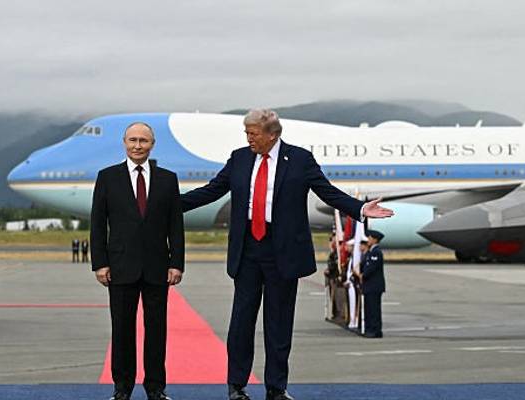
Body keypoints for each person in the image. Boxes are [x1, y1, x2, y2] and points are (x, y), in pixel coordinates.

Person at [180, 109, 394, 400]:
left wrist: (358, 209)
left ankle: (276, 388)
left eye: (253, 134)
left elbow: (326, 192)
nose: (248, 139)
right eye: (246, 133)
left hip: (283, 252)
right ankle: (237, 386)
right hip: (247, 251)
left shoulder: (300, 160)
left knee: (278, 323)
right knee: (241, 321)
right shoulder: (240, 158)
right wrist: (169, 204)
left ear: (273, 134)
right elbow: (212, 191)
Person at [91, 122, 185, 400]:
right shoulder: (107, 177)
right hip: (119, 269)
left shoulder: (168, 179)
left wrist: (176, 263)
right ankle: (122, 389)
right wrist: (99, 263)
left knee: (157, 332)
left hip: (158, 268)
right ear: (124, 142)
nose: (137, 145)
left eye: (143, 140)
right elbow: (98, 224)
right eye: (132, 140)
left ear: (152, 144)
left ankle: (156, 389)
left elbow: (175, 226)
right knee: (122, 331)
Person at [359, 230, 386, 338]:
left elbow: (371, 268)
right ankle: (370, 328)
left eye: (369, 238)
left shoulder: (376, 252)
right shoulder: (371, 252)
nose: (368, 240)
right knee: (369, 309)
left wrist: (363, 275)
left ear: (375, 239)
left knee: (374, 309)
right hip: (369, 285)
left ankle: (375, 330)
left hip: (374, 286)